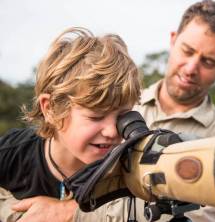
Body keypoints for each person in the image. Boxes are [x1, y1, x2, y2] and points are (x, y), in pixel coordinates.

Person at [2, 0, 215, 222]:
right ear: (173, 40)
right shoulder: (118, 96)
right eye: (187, 50)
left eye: (209, 61)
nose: (191, 68)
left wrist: (70, 212)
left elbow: (204, 214)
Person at [0, 27, 141, 221]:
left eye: (122, 116)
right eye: (96, 116)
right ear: (50, 109)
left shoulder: (132, 165)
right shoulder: (11, 154)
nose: (111, 132)